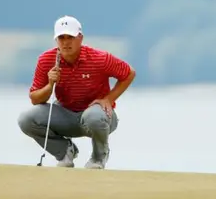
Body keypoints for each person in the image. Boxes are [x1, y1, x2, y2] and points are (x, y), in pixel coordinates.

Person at [17, 15, 136, 169]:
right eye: (61, 38)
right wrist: (50, 84)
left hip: (99, 118)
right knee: (26, 119)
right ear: (56, 40)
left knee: (93, 116)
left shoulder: (100, 58)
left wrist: (109, 99)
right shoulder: (46, 60)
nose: (66, 42)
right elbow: (35, 98)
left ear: (80, 38)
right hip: (65, 115)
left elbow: (129, 73)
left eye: (70, 37)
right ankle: (65, 152)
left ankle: (98, 158)